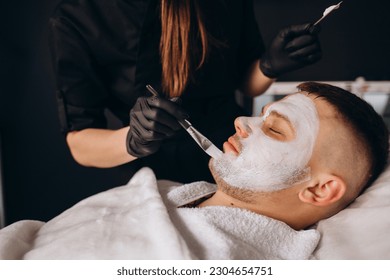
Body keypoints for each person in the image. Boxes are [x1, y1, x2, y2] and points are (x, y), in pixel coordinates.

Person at [2, 82, 388, 260]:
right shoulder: (170, 192)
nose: (241, 121)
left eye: (273, 128)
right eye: (261, 115)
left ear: (320, 191)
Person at [48, 0, 322, 183]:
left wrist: (268, 65)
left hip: (235, 153)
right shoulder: (78, 15)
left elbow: (245, 85)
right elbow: (80, 144)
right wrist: (134, 139)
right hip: (148, 173)